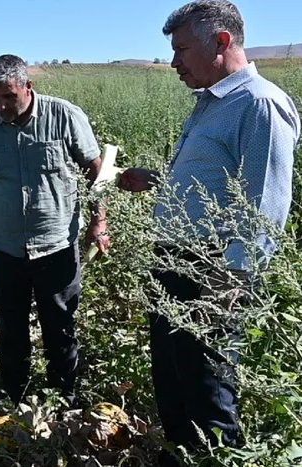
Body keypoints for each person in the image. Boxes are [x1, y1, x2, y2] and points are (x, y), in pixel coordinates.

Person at [117, 1, 300, 463]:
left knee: (208, 393)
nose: (174, 62)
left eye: (181, 50)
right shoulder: (211, 102)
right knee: (174, 382)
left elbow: (264, 206)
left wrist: (225, 287)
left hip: (212, 272)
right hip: (176, 263)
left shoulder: (258, 104)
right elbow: (215, 184)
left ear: (221, 42)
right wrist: (158, 180)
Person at [0, 54, 110, 406]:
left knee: (60, 326)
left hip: (57, 245)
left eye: (9, 97)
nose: (1, 105)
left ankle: (64, 400)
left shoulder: (64, 116)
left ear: (28, 87)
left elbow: (98, 172)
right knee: (10, 328)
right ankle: (15, 398)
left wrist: (99, 222)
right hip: (3, 248)